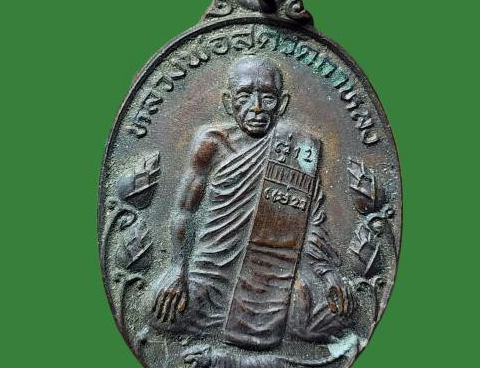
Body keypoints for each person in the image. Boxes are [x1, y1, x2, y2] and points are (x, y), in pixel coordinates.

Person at [148, 55, 354, 349]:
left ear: (282, 104)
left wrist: (328, 274)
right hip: (214, 269)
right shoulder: (212, 142)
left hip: (276, 270)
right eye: (245, 96)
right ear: (228, 102)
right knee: (160, 315)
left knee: (342, 314)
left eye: (267, 97)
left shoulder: (299, 147)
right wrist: (176, 269)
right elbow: (184, 211)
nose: (256, 107)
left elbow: (314, 221)